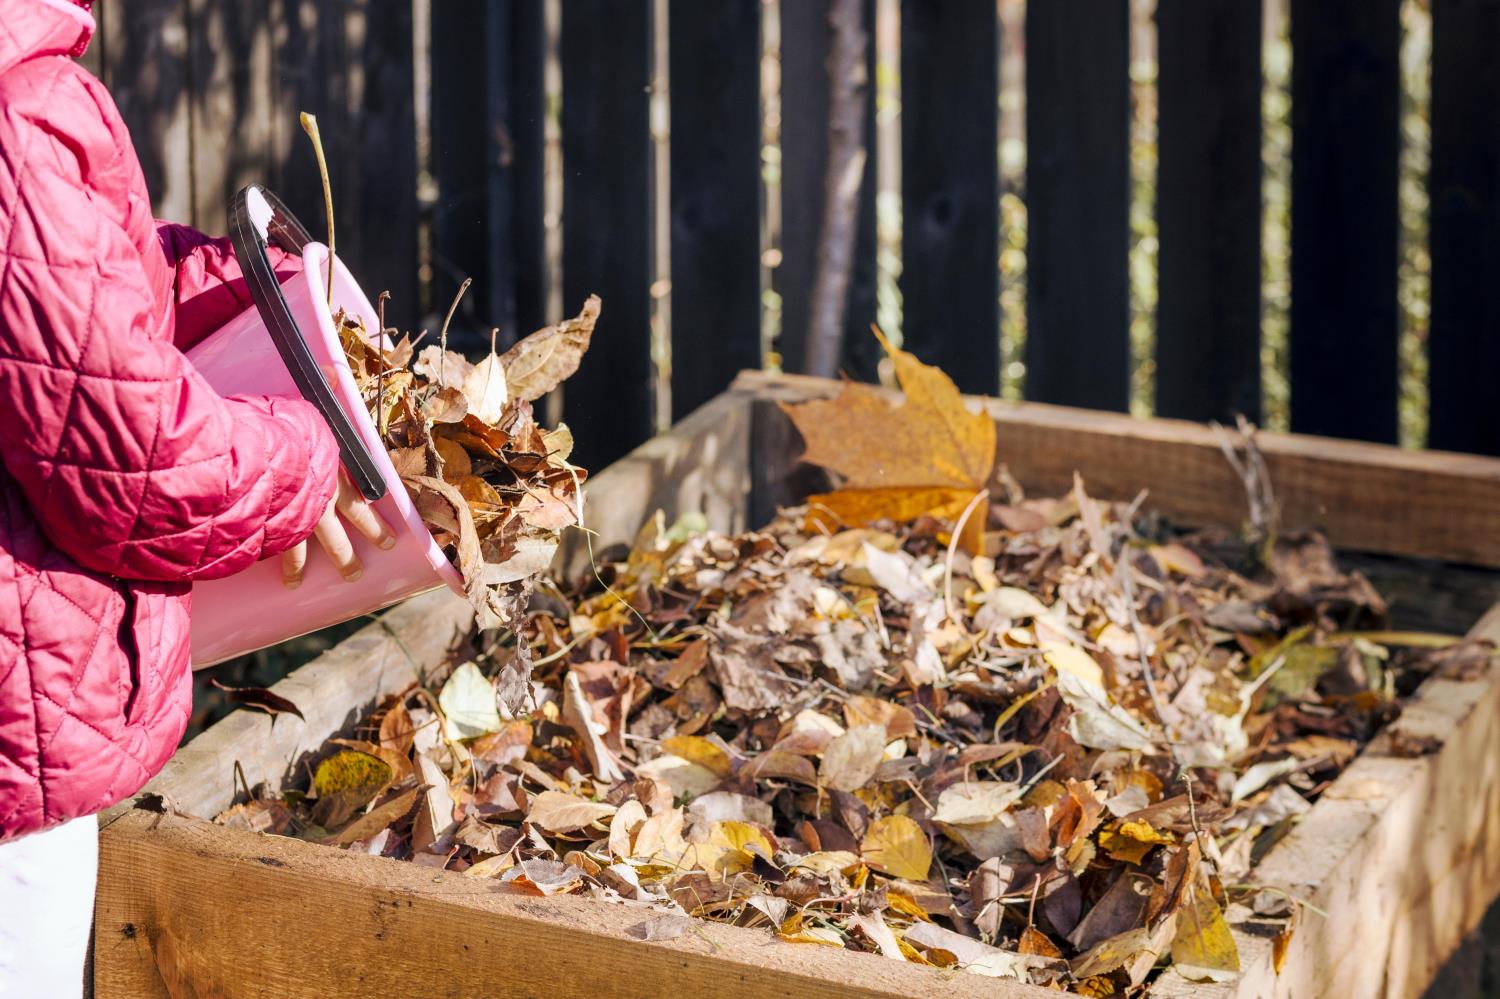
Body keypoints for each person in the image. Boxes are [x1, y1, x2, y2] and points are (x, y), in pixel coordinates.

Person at [0, 0, 391, 992]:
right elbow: (139, 475)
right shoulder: (14, 110)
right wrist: (322, 455)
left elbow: (60, 294)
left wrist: (238, 287)